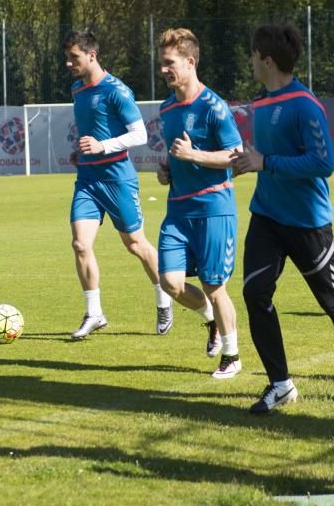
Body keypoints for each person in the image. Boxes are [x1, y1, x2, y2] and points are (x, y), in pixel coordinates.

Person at [232, 24, 334, 413]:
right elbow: (265, 155)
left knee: (332, 301)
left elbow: (322, 163)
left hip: (308, 222)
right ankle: (280, 384)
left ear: (268, 60)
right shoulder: (261, 102)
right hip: (266, 217)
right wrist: (248, 159)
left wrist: (266, 162)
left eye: (254, 55)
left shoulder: (305, 104)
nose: (251, 61)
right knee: (255, 294)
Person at [63, 30, 172, 340]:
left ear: (92, 56)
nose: (69, 64)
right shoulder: (76, 89)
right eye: (67, 58)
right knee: (80, 244)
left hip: (117, 179)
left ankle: (164, 299)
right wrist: (82, 151)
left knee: (136, 245)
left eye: (75, 58)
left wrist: (102, 146)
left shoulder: (116, 91)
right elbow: (92, 130)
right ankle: (94, 313)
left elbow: (140, 135)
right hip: (87, 180)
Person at [155, 28, 244, 378]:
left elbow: (237, 157)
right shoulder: (166, 108)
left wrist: (194, 155)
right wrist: (169, 168)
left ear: (190, 62)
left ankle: (232, 355)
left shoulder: (214, 107)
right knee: (170, 282)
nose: (163, 69)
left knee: (214, 285)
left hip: (213, 208)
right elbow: (178, 156)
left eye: (169, 63)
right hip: (178, 208)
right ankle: (211, 321)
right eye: (161, 63)